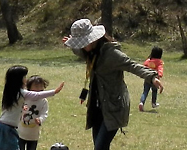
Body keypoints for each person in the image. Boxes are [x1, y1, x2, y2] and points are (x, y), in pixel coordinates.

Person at [63, 18, 163, 150]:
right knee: (99, 147)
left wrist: (152, 77)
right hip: (97, 107)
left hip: (114, 107)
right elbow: (79, 51)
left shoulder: (111, 54)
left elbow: (131, 65)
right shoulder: (89, 52)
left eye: (83, 43)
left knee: (100, 148)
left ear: (94, 39)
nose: (82, 47)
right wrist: (72, 44)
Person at [0, 65, 64, 150]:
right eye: (24, 76)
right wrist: (54, 91)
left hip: (1, 127)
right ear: (18, 79)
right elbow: (36, 95)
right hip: (7, 129)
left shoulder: (10, 92)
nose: (25, 79)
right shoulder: (21, 93)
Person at [18, 75, 58, 150]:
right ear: (28, 88)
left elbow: (44, 113)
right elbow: (16, 109)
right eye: (35, 91)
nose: (38, 94)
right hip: (20, 132)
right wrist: (22, 108)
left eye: (41, 91)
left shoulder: (43, 101)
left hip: (34, 134)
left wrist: (40, 119)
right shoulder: (24, 98)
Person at [138, 46, 164, 111]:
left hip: (147, 78)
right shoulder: (159, 62)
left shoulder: (148, 61)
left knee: (145, 91)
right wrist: (159, 75)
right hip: (155, 79)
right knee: (154, 91)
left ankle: (141, 102)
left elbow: (144, 67)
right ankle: (153, 103)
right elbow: (160, 68)